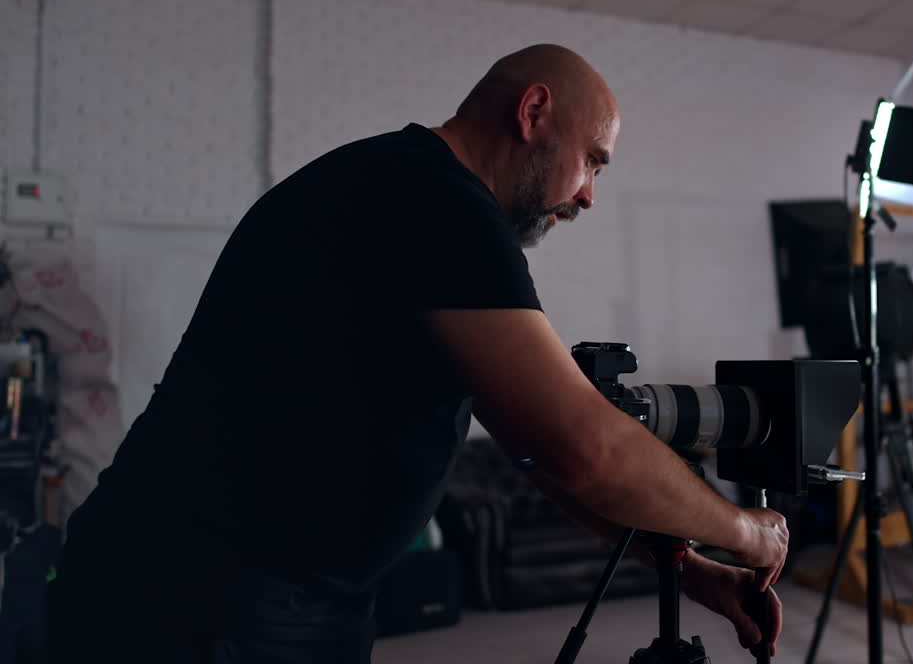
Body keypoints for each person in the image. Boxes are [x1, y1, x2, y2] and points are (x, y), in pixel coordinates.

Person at [43, 43, 787, 663]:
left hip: (271, 595)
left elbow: (534, 449)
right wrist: (745, 529)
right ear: (533, 114)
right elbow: (583, 448)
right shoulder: (434, 201)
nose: (588, 195)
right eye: (593, 161)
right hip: (206, 602)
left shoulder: (403, 188)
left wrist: (690, 573)